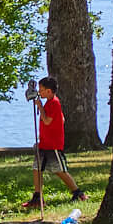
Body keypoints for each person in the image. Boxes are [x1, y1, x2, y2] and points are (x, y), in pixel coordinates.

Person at [25, 76, 87, 211]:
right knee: (37, 168)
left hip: (53, 144)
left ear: (48, 91)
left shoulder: (53, 103)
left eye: (41, 90)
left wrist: (40, 108)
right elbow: (61, 119)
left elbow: (47, 121)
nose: (39, 93)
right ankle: (37, 197)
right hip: (44, 142)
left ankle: (78, 193)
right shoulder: (49, 103)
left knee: (59, 170)